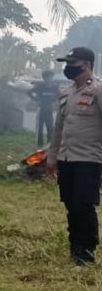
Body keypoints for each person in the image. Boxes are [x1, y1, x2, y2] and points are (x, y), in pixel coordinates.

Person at [46, 46, 102, 266]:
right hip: (67, 158)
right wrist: (52, 159)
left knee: (83, 204)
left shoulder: (98, 90)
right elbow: (59, 127)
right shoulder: (66, 92)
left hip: (89, 158)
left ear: (86, 65)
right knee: (70, 203)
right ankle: (75, 247)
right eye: (67, 63)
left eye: (72, 64)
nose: (68, 68)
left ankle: (87, 251)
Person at [29, 69, 59, 146]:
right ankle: (39, 144)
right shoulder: (40, 86)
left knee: (50, 127)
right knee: (40, 128)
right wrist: (36, 99)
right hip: (41, 109)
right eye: (47, 77)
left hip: (49, 110)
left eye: (50, 77)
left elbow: (59, 95)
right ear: (44, 78)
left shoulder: (54, 87)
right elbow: (29, 92)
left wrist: (54, 100)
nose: (49, 79)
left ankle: (49, 143)